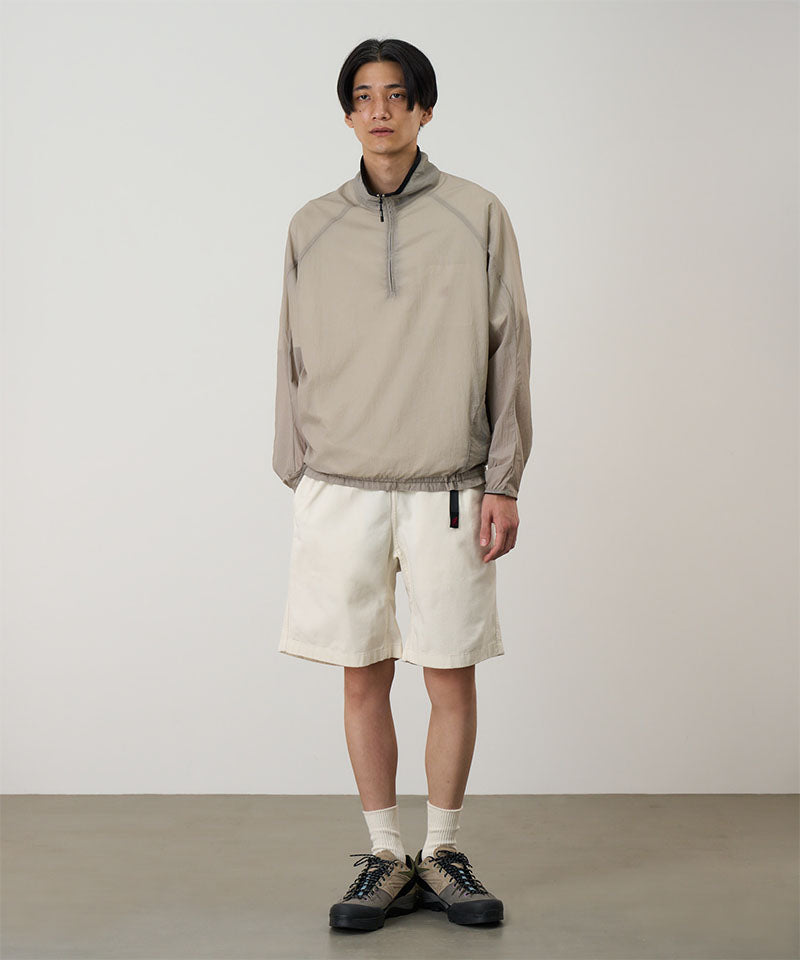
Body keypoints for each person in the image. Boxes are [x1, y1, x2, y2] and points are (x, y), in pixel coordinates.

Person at [272, 37, 532, 931]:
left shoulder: (476, 212)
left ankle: (444, 850)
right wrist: (297, 469)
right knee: (362, 675)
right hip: (340, 483)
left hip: (450, 483)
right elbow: (289, 350)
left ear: (425, 108)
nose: (379, 110)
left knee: (450, 673)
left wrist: (505, 480)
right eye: (363, 96)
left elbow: (510, 347)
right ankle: (386, 854)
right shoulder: (311, 224)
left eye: (396, 95)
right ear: (347, 114)